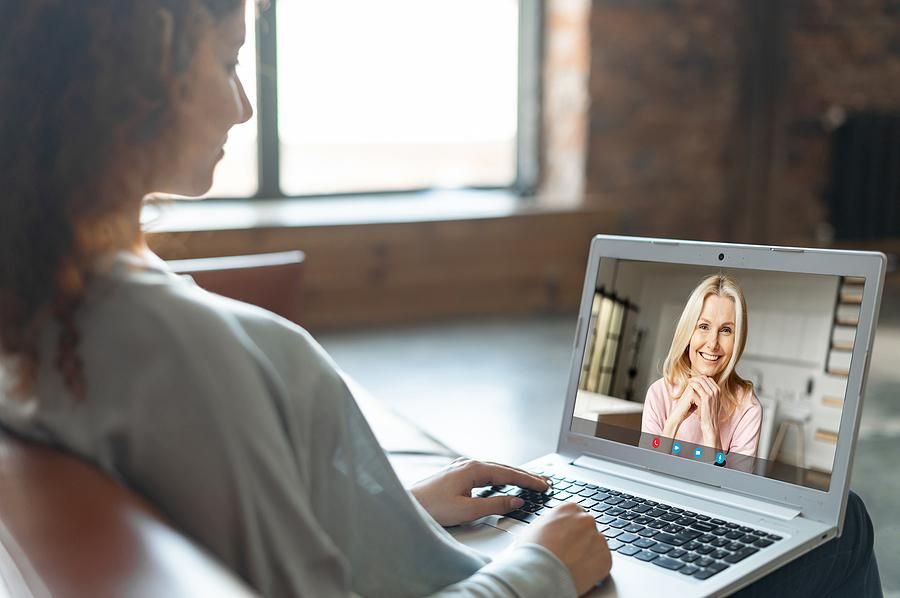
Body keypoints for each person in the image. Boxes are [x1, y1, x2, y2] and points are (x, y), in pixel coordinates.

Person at [0, 1, 881, 597]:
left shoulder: (55, 307)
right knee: (842, 525)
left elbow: (245, 506)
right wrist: (541, 568)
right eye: (228, 61)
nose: (240, 106)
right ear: (139, 74)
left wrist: (396, 502)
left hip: (434, 550)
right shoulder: (169, 348)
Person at [641, 274, 762, 460]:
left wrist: (710, 430)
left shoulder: (748, 409)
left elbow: (731, 488)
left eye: (726, 330)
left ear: (738, 340)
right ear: (688, 333)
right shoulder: (659, 394)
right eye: (704, 326)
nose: (713, 343)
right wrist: (673, 422)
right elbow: (645, 471)